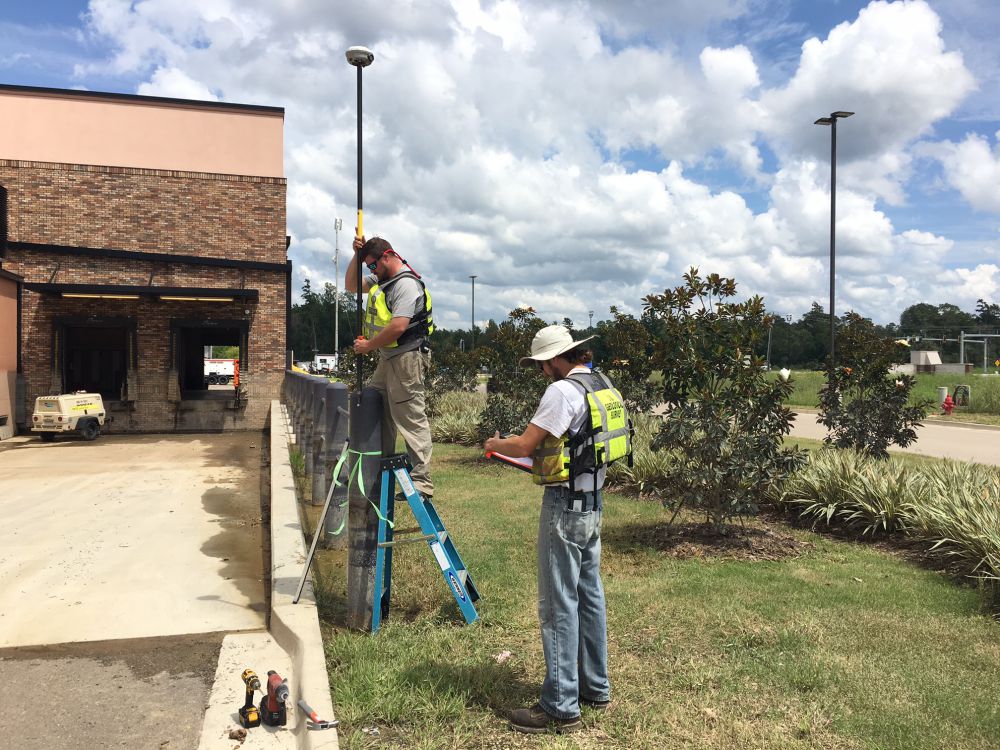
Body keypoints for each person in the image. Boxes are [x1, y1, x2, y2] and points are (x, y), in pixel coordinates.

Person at [484, 324, 631, 734]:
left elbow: (527, 445)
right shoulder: (602, 385)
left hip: (565, 506)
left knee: (557, 604)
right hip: (595, 502)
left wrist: (496, 444)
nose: (541, 371)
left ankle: (560, 706)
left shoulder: (562, 391)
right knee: (589, 595)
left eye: (541, 364)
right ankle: (595, 688)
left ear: (553, 360)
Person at [345, 235, 434, 498]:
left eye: (373, 265)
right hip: (388, 358)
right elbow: (351, 286)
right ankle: (382, 464)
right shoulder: (383, 279)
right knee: (375, 403)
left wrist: (368, 345)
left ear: (387, 256)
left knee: (410, 415)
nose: (371, 271)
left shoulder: (405, 285)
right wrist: (356, 255)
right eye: (368, 267)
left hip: (407, 358)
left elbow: (398, 326)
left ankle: (421, 482)